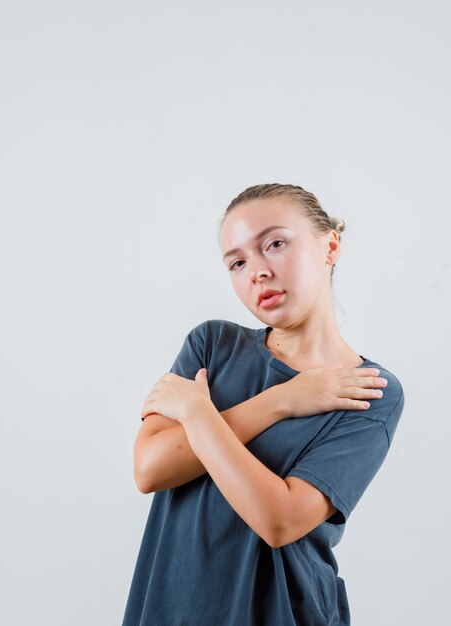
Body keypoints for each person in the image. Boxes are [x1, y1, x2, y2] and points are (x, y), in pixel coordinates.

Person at [121, 183, 405, 626]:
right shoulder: (212, 346)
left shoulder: (369, 389)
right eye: (237, 262)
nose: (256, 271)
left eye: (274, 244)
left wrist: (198, 412)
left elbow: (279, 521)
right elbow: (150, 469)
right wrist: (282, 401)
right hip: (171, 606)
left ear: (330, 245)